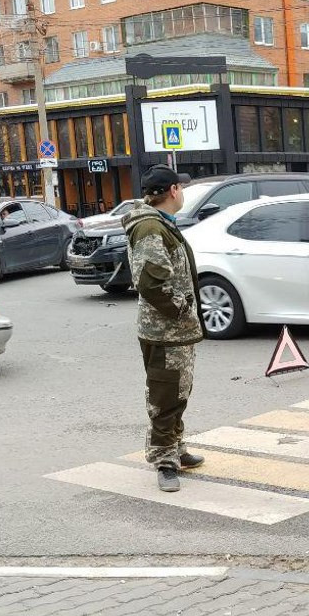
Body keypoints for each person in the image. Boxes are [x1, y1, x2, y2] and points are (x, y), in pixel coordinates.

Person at [123, 165, 205, 492]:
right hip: (164, 330)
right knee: (165, 394)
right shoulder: (149, 228)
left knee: (177, 391)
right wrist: (182, 307)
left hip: (173, 329)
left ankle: (175, 446)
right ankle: (164, 459)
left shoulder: (160, 225)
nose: (182, 193)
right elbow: (152, 283)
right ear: (173, 190)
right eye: (181, 188)